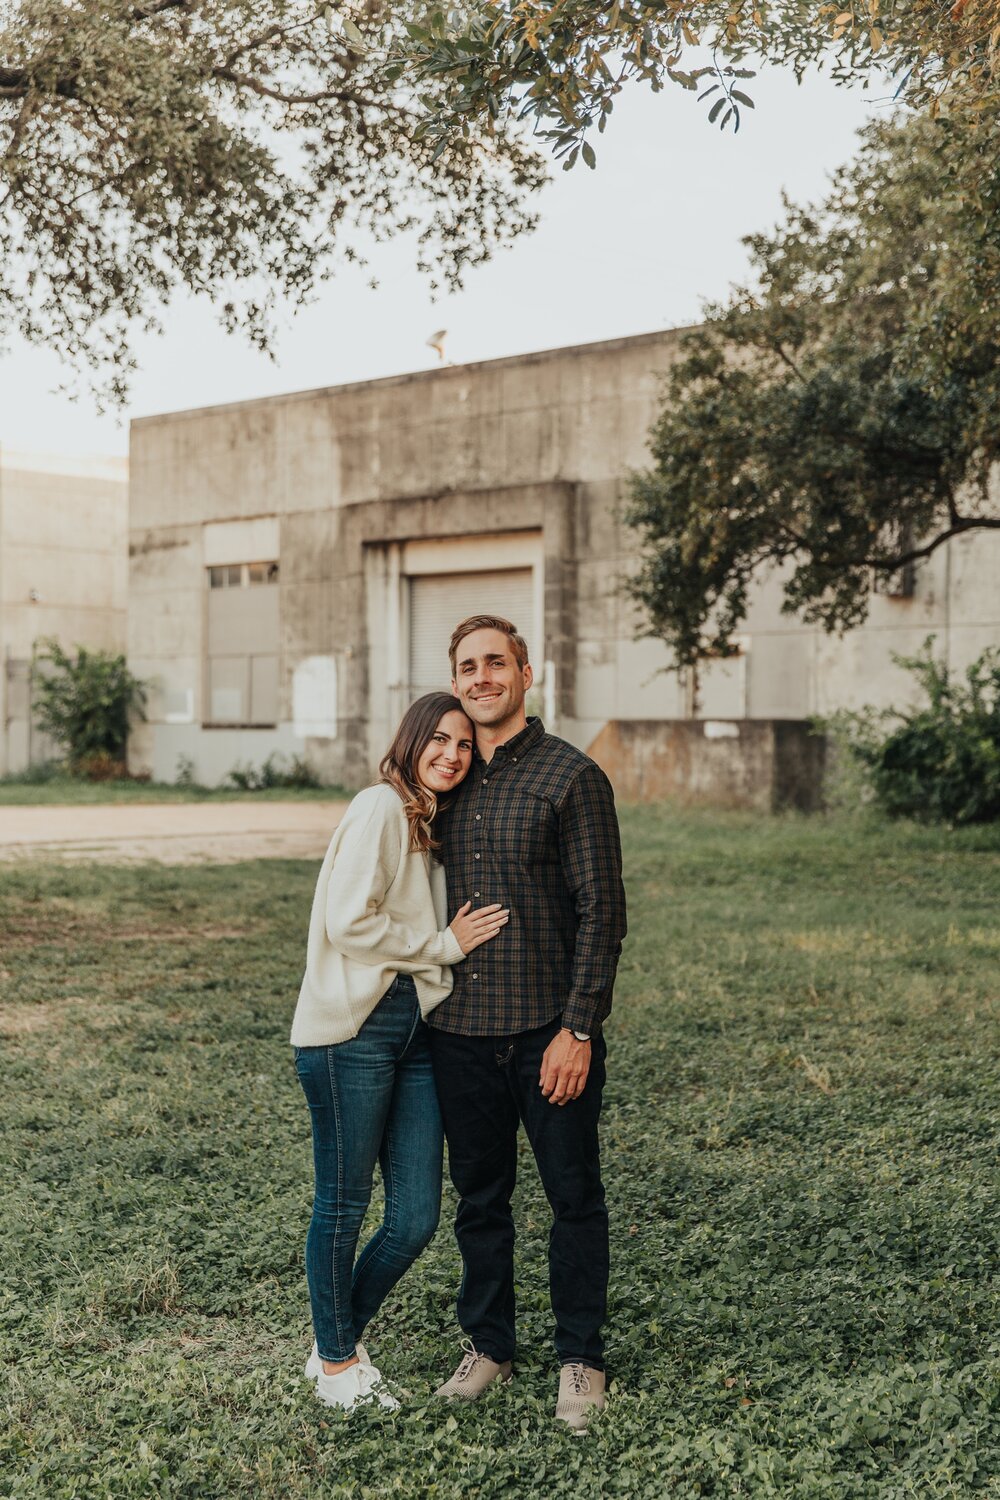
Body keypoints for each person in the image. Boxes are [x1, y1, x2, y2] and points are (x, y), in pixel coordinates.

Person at [427, 614, 627, 1433]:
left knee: (573, 1198)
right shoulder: (444, 775)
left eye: (494, 663)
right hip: (461, 1033)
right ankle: (490, 1345)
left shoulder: (570, 778)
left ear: (525, 672)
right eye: (467, 666)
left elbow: (602, 911)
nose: (481, 678)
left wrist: (577, 1028)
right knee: (480, 1199)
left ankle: (580, 1358)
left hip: (548, 1035)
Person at [291, 692, 509, 1413]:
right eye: (439, 740)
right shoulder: (382, 806)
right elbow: (349, 922)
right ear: (412, 739)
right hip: (354, 1029)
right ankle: (336, 1364)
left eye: (464, 746)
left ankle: (333, 1341)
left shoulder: (427, 820)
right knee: (345, 1201)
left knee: (415, 1216)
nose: (452, 754)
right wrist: (441, 946)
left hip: (413, 1030)